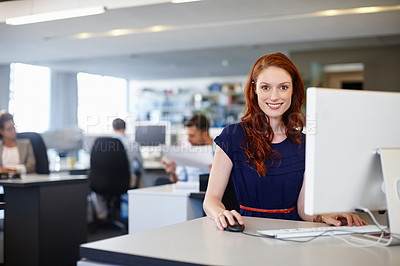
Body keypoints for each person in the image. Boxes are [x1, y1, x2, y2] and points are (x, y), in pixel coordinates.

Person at [203, 53, 367, 231]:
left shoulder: (305, 144)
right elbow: (211, 200)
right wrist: (221, 213)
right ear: (255, 89)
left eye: (283, 87)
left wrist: (323, 216)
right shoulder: (232, 136)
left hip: (291, 235)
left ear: (293, 90)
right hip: (247, 233)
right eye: (265, 87)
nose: (274, 96)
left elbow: (303, 210)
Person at [160, 114, 214, 184]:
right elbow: (179, 181)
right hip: (188, 191)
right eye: (188, 135)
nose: (188, 139)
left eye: (192, 135)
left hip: (210, 191)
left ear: (204, 134)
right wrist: (172, 172)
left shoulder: (220, 150)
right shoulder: (186, 150)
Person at [112, 118, 143, 188]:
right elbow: (140, 165)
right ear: (124, 128)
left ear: (113, 128)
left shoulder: (105, 145)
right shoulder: (133, 144)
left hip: (105, 180)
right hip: (126, 181)